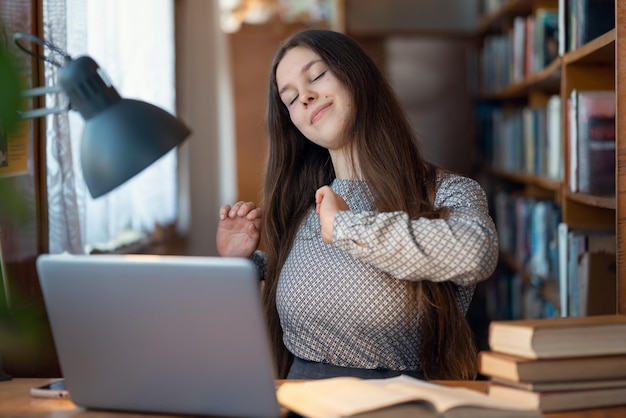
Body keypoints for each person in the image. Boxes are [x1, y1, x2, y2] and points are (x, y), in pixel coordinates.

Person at [216, 29, 498, 381]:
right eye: (290, 98)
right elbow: (312, 285)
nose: (305, 97)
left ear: (356, 74)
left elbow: (476, 254)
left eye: (316, 75)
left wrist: (346, 227)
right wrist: (240, 266)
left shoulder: (446, 191)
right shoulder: (305, 204)